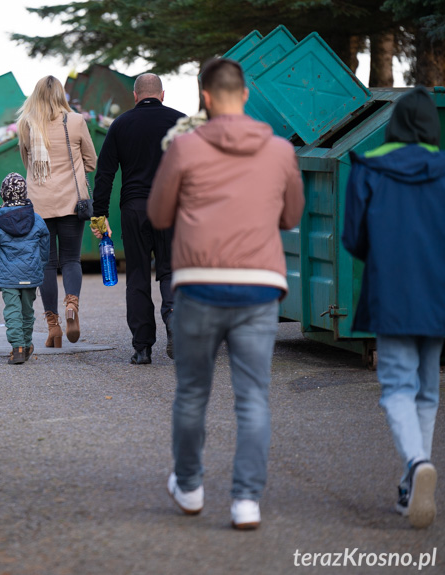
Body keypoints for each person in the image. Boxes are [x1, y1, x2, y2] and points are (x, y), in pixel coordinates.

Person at [147, 58, 304, 530]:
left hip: (199, 284)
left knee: (193, 392)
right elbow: (292, 215)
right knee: (253, 397)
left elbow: (157, 214)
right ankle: (246, 501)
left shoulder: (185, 148)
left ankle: (191, 487)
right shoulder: (278, 151)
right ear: (246, 95)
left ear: (206, 97)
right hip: (259, 287)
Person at [341, 86, 445, 529]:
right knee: (427, 388)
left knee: (397, 387)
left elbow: (353, 238)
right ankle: (410, 484)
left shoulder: (370, 168)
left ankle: (418, 464)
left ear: (396, 124)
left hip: (393, 292)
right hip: (440, 294)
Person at [91, 73, 186, 365]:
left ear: (134, 96)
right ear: (163, 94)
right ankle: (173, 320)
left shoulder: (121, 124)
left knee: (137, 276)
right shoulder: (182, 123)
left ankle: (142, 347)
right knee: (170, 271)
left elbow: (105, 174)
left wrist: (99, 215)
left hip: (134, 208)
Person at [18, 75, 97, 348]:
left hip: (39, 204)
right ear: (61, 95)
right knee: (71, 260)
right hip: (72, 202)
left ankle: (53, 327)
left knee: (46, 264)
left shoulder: (26, 125)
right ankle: (71, 304)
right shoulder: (75, 122)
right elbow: (91, 161)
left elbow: (27, 162)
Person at [0, 173, 50, 364]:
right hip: (31, 274)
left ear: (3, 195)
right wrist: (40, 267)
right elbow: (45, 249)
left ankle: (18, 347)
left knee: (12, 310)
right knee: (27, 311)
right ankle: (27, 344)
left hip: (8, 277)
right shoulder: (37, 220)